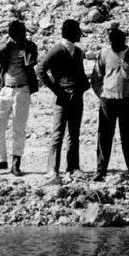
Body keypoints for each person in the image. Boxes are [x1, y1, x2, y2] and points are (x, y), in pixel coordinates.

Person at [90, 23, 129, 181]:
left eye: (117, 43)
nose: (114, 46)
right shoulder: (103, 54)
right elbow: (96, 77)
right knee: (104, 137)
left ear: (124, 40)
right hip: (108, 101)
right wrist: (101, 94)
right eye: (112, 43)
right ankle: (101, 171)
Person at [36, 18, 89, 182]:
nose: (80, 34)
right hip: (63, 97)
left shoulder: (78, 52)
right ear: (71, 33)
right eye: (78, 30)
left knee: (74, 133)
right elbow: (40, 70)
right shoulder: (57, 50)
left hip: (76, 96)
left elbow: (80, 73)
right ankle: (52, 169)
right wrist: (57, 90)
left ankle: (73, 167)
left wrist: (82, 88)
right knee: (58, 133)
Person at [0, 20, 39, 176]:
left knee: (19, 129)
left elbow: (32, 60)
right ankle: (1, 159)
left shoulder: (29, 46)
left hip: (21, 90)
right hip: (4, 90)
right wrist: (7, 44)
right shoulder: (5, 45)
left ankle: (16, 162)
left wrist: (23, 48)